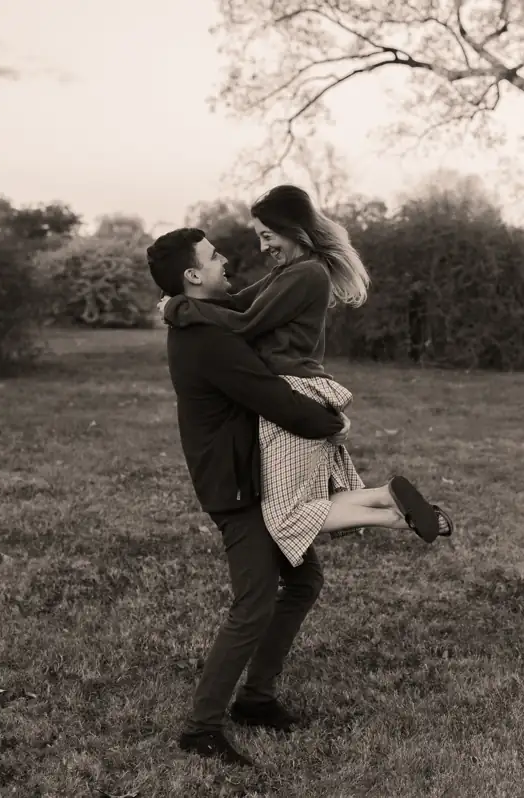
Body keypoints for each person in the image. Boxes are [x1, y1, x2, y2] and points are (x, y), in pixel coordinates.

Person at [162, 186, 453, 569]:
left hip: (293, 384)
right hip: (296, 382)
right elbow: (233, 304)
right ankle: (389, 500)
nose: (263, 246)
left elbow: (244, 323)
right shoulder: (288, 273)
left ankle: (388, 508)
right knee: (303, 505)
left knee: (286, 518)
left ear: (292, 229)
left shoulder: (307, 274)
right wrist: (183, 304)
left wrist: (181, 307)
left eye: (268, 235)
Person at [148, 228, 354, 768]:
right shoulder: (204, 339)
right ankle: (201, 729)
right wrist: (332, 422)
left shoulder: (206, 319)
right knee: (254, 603)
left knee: (303, 581)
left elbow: (253, 303)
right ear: (193, 275)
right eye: (213, 256)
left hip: (253, 478)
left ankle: (256, 699)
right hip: (235, 487)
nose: (225, 261)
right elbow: (270, 396)